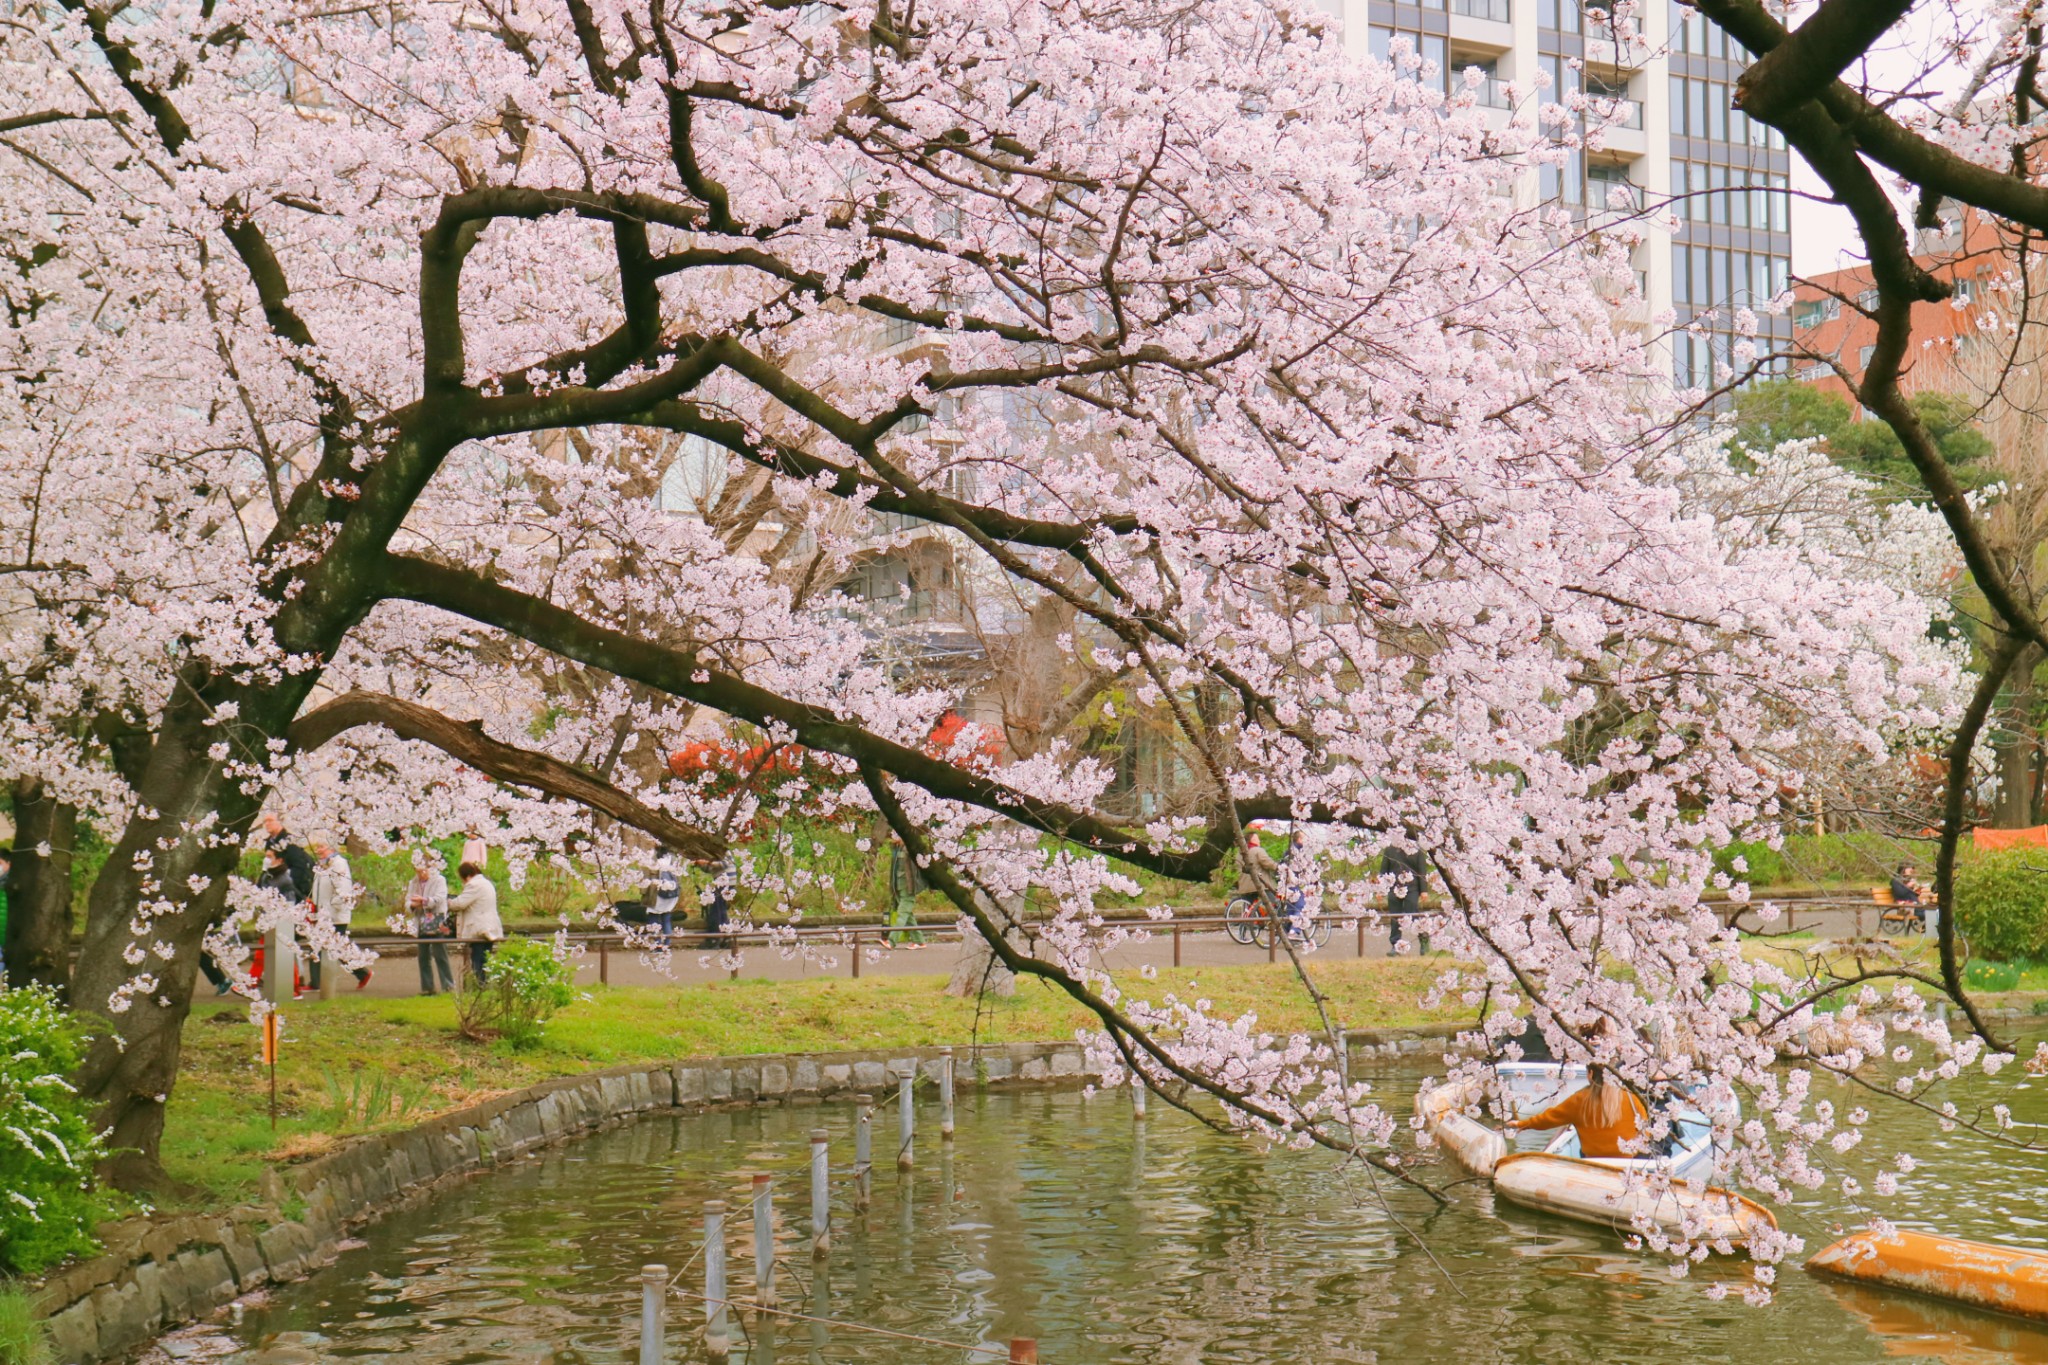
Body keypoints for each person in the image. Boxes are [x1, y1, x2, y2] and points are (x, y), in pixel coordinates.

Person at [1506, 1062, 1650, 1158]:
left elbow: (1548, 1119)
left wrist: (1521, 1124)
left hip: (1594, 1159)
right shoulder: (1632, 1097)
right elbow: (1645, 1130)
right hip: (1629, 1159)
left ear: (1591, 1074)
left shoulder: (1580, 1099)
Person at [305, 837, 370, 991]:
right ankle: (317, 982)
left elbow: (343, 890)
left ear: (332, 848)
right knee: (319, 946)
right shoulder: (321, 866)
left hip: (335, 916)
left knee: (334, 948)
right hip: (322, 914)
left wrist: (331, 909)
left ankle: (362, 972)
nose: (318, 850)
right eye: (318, 846)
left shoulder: (339, 864)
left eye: (322, 846)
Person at [449, 859, 503, 982]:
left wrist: (449, 903)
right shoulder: (486, 883)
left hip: (479, 928)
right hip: (490, 926)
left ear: (466, 876)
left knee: (478, 959)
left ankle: (480, 986)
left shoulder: (474, 885)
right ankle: (484, 984)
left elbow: (460, 903)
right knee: (486, 958)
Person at [407, 854, 455, 995]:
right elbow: (407, 902)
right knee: (423, 955)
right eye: (418, 871)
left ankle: (448, 985)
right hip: (421, 919)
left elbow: (440, 898)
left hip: (437, 918)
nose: (421, 874)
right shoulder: (413, 883)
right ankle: (427, 987)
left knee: (440, 953)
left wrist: (424, 901)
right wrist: (413, 905)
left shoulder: (439, 880)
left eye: (424, 870)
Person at [1381, 841, 1429, 954]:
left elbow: (1422, 870)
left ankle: (1423, 939)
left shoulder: (1416, 849)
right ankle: (1395, 944)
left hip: (1412, 887)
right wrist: (1380, 889)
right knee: (1395, 916)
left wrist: (1424, 890)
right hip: (1394, 887)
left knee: (1412, 913)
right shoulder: (1390, 849)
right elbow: (1384, 870)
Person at [886, 838, 926, 945]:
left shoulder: (910, 848)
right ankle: (919, 941)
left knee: (902, 914)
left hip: (908, 887)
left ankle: (891, 941)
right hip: (898, 886)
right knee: (907, 915)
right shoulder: (897, 848)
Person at [645, 853, 681, 947]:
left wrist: (644, 892)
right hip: (671, 893)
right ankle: (666, 944)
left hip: (656, 892)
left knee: (653, 918)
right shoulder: (673, 858)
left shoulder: (652, 857)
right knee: (666, 919)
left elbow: (646, 877)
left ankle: (657, 944)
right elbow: (678, 875)